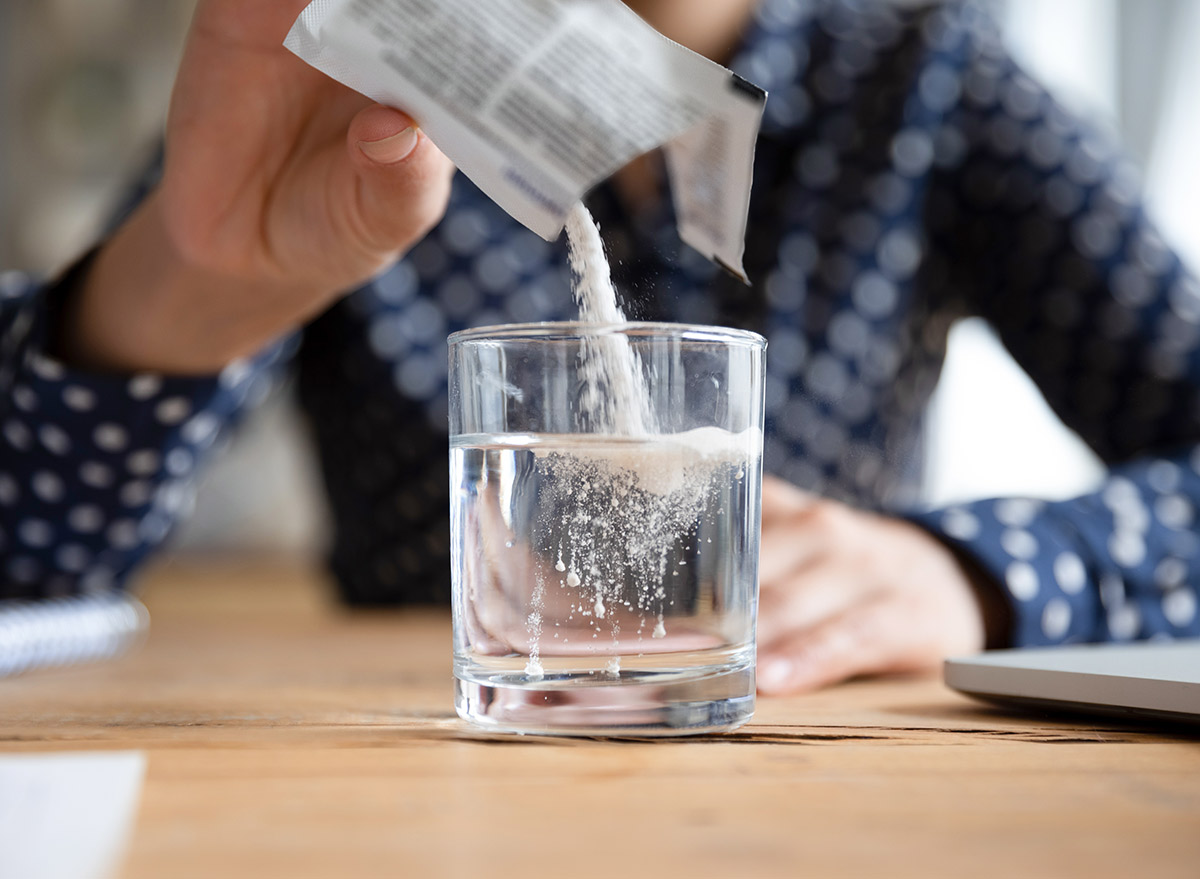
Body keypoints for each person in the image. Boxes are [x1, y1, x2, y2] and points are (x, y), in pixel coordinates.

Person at [1, 0, 1198, 693]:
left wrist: (982, 577)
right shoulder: (350, 84)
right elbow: (25, 568)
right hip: (422, 775)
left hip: (814, 758)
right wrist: (191, 285)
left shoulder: (933, 81)